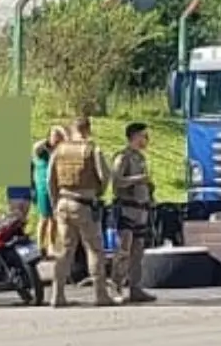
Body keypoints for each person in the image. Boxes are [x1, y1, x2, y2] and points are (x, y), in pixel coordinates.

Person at [48, 116, 113, 307]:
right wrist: (99, 192)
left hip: (63, 203)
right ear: (88, 129)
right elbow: (105, 175)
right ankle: (100, 295)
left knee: (64, 250)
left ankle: (57, 295)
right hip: (84, 204)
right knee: (93, 249)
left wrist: (55, 203)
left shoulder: (59, 150)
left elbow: (49, 180)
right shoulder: (92, 149)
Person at [110, 122, 157, 304]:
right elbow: (116, 182)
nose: (147, 140)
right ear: (135, 136)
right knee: (124, 250)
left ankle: (135, 287)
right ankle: (116, 286)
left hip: (141, 210)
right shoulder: (123, 157)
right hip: (126, 209)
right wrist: (138, 179)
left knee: (138, 252)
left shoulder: (140, 158)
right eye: (144, 136)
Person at [33, 126, 67, 254]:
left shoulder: (60, 151)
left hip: (57, 187)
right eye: (55, 136)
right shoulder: (42, 150)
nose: (57, 139)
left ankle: (51, 245)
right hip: (43, 187)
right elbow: (36, 147)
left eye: (59, 136)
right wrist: (49, 141)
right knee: (44, 217)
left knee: (54, 218)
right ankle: (40, 246)